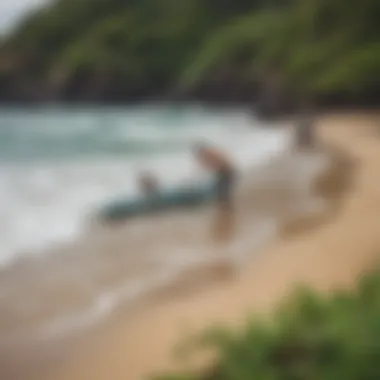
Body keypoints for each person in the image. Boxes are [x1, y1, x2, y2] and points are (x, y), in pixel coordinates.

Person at [193, 143, 236, 210]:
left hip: (226, 173)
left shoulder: (209, 153)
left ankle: (226, 209)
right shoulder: (211, 152)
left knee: (222, 193)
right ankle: (226, 208)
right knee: (222, 192)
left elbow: (215, 164)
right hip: (225, 172)